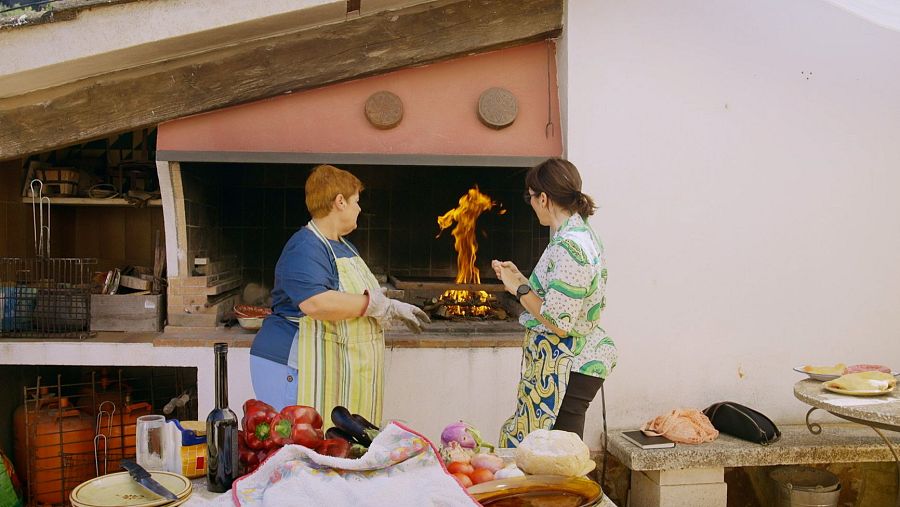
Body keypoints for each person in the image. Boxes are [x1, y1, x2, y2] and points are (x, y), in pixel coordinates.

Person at [249, 164, 430, 424]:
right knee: (295, 443)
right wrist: (377, 306)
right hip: (293, 364)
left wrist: (389, 305)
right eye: (356, 201)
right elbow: (315, 303)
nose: (360, 209)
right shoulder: (305, 246)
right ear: (340, 201)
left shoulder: (344, 246)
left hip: (325, 364)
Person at [493, 158, 616, 446]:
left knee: (556, 457)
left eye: (530, 197)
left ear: (544, 198)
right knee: (557, 454)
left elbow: (559, 323)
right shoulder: (581, 234)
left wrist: (519, 289)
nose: (531, 204)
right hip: (575, 362)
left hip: (568, 366)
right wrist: (521, 279)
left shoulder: (569, 246)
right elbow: (562, 299)